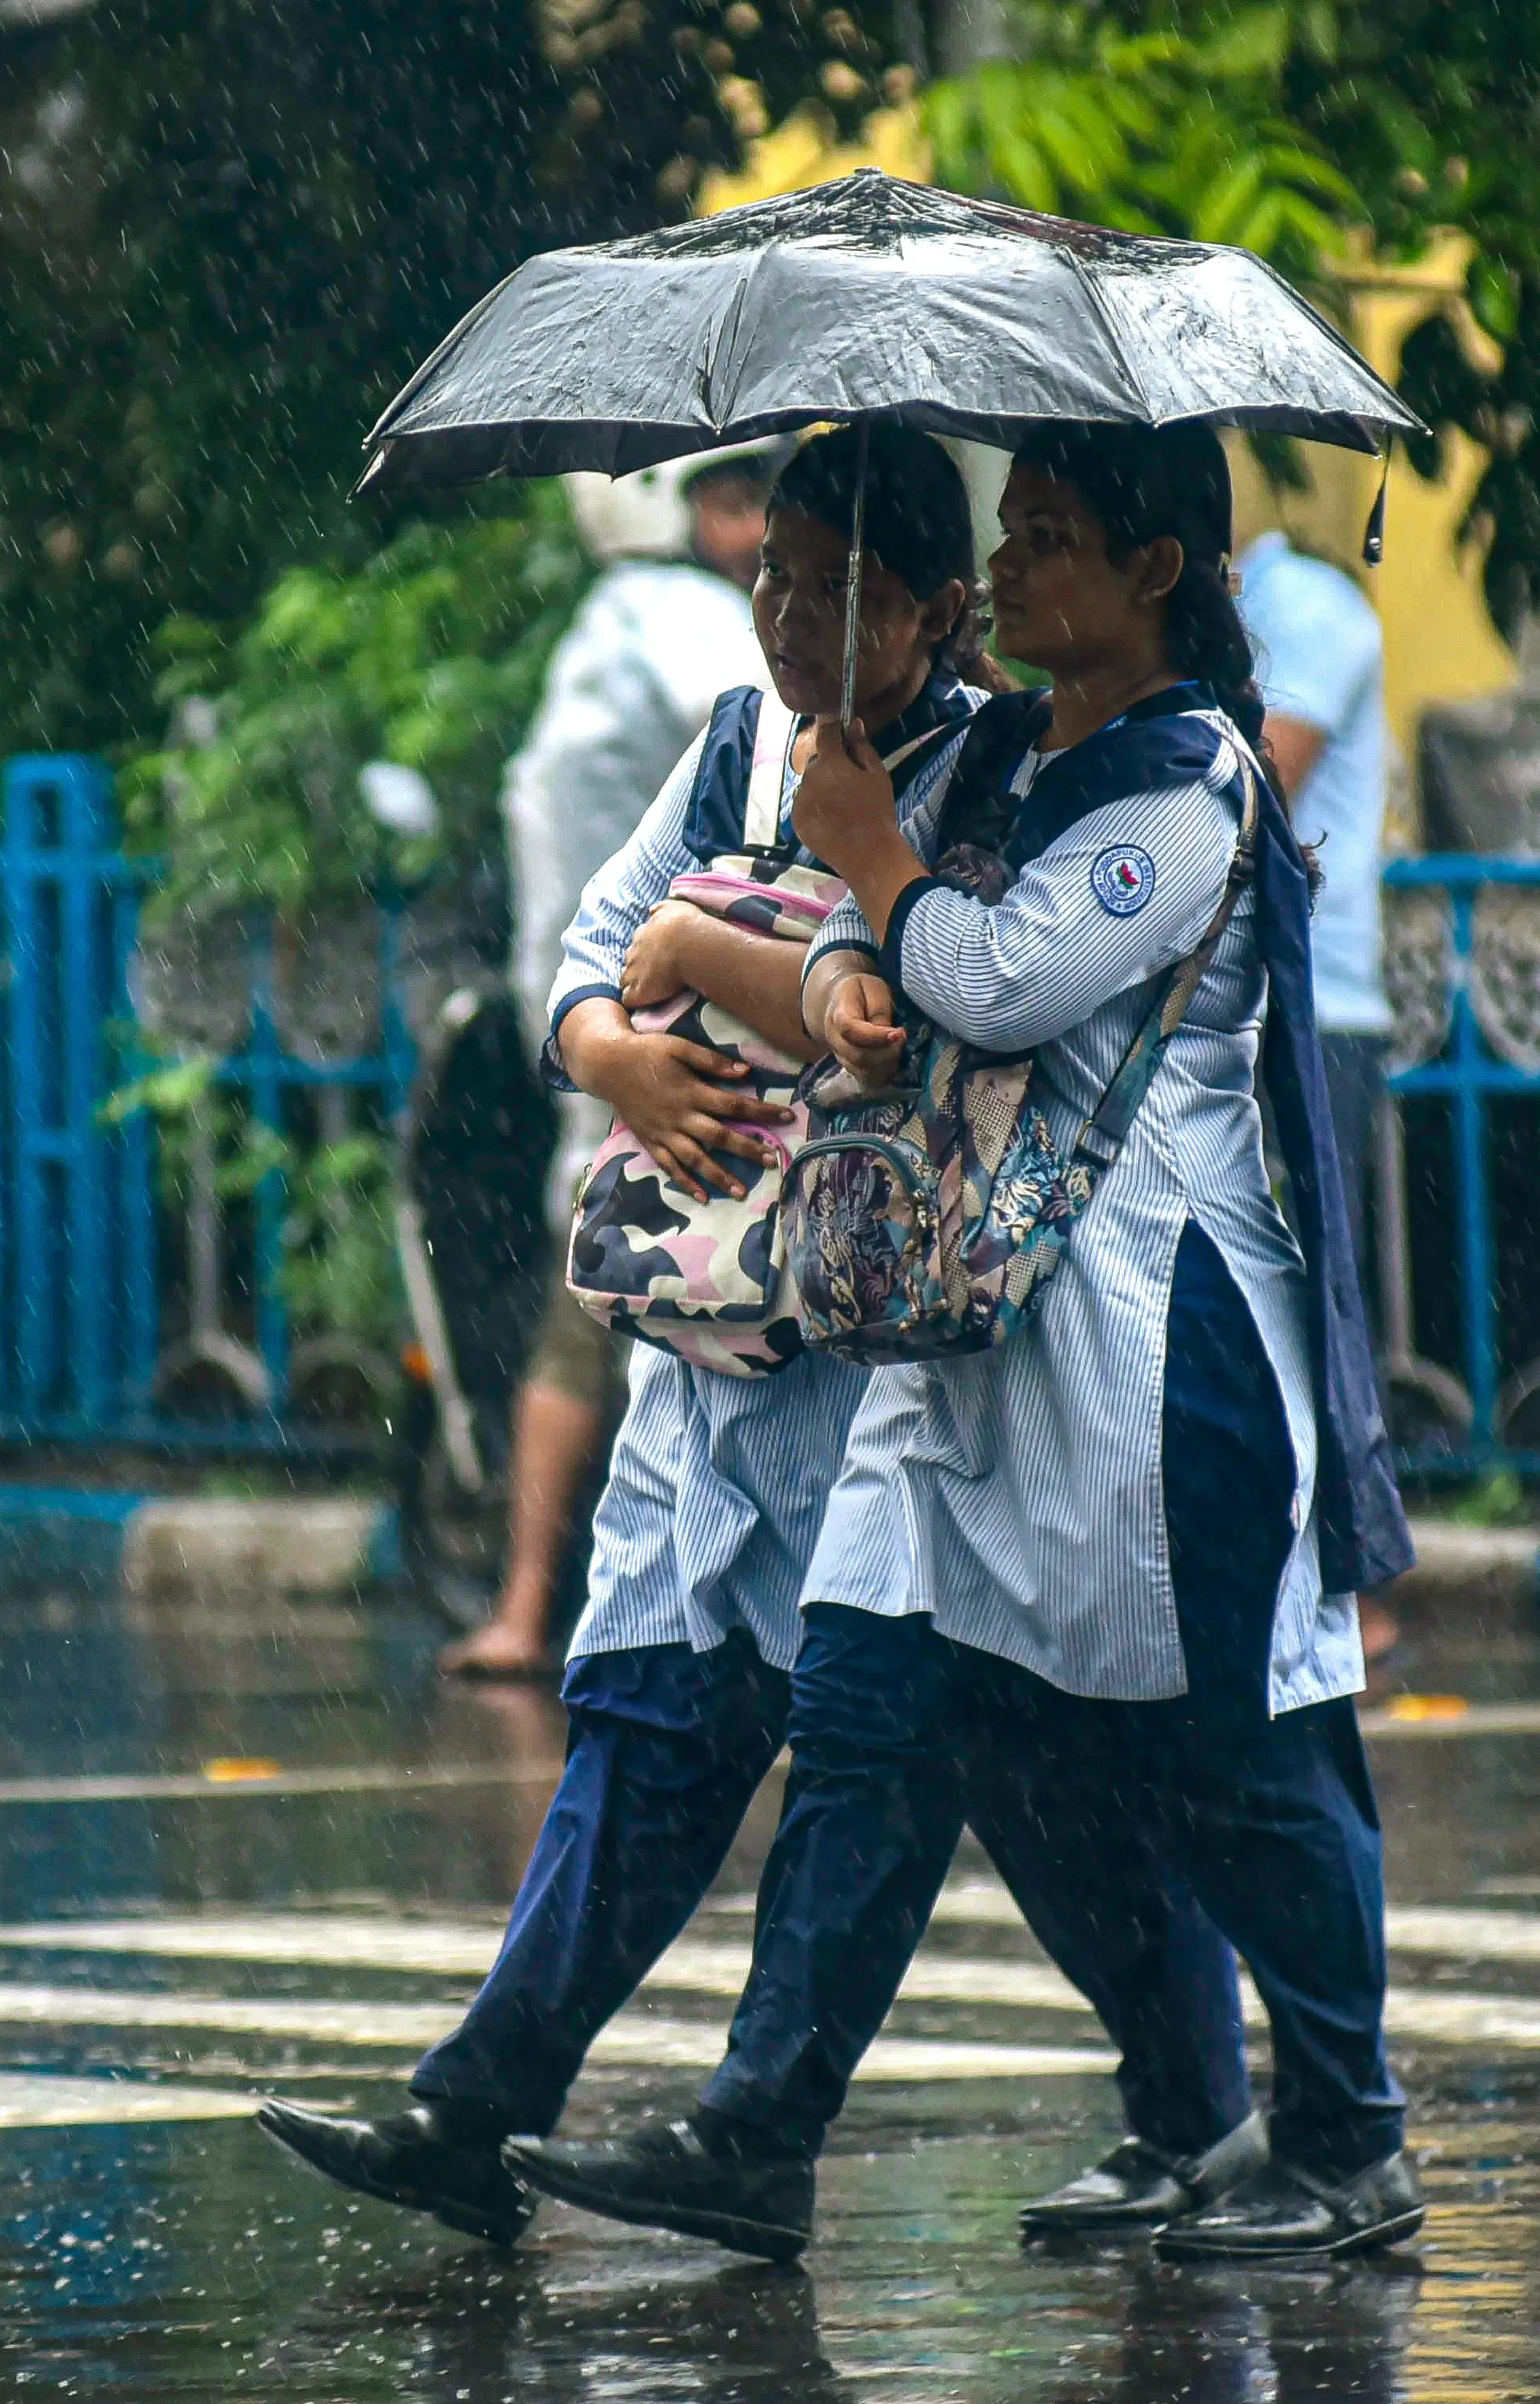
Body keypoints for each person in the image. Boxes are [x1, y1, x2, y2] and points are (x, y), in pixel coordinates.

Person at [504, 423, 1422, 2266]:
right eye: (1006, 532)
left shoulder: (1185, 785)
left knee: (1243, 1758)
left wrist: (866, 874)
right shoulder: (1003, 751)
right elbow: (854, 965)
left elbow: (993, 982)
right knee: (883, 1706)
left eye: (1052, 536)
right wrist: (771, 919)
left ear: (1153, 574)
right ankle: (769, 2132)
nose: (1010, 569)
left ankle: (1347, 2140)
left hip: (1166, 1355)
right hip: (968, 1328)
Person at [256, 426, 986, 2247]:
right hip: (703, 1330)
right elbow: (595, 943)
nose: (790, 619)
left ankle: (1207, 2105)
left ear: (940, 612)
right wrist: (612, 1046)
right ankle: (482, 2098)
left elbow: (897, 1015)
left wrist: (716, 939)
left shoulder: (986, 779)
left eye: (840, 590)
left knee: (910, 1748)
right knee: (650, 1715)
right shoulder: (733, 740)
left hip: (879, 1360)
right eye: (772, 575)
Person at [441, 445, 775, 1681]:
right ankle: (561, 1604)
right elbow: (783, 757)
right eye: (737, 505)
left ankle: (543, 1604)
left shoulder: (608, 630)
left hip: (608, 1020)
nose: (757, 537)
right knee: (627, 1312)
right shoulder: (689, 635)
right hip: (673, 1032)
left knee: (597, 1298)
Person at [1237, 519, 1403, 1664]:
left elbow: (1248, 789)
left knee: (1315, 1304)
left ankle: (1351, 1584)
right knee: (1260, 1301)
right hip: (1236, 1008)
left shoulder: (1310, 615)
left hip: (1314, 1009)